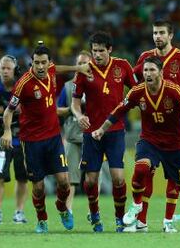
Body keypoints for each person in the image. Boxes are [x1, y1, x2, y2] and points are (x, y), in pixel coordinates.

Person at [92, 56, 180, 233]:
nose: (148, 73)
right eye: (145, 70)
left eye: (152, 70)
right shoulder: (137, 91)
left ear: (161, 72)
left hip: (174, 145)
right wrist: (101, 129)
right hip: (149, 140)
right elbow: (119, 110)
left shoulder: (173, 89)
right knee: (141, 169)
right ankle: (136, 205)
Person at [0, 42, 91, 233]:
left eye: (43, 62)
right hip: (31, 141)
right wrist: (7, 131)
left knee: (64, 181)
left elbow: (57, 68)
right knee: (39, 187)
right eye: (36, 63)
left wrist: (77, 68)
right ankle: (42, 220)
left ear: (49, 62)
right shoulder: (23, 83)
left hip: (53, 138)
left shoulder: (50, 70)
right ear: (31, 62)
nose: (40, 67)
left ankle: (62, 207)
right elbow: (8, 111)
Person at [132, 19, 180, 231]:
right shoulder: (146, 58)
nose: (158, 36)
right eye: (155, 33)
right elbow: (133, 78)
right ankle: (141, 221)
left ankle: (168, 221)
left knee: (176, 176)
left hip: (175, 123)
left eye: (162, 33)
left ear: (170, 35)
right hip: (151, 123)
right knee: (147, 171)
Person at [71, 31, 137, 232]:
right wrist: (79, 115)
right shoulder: (84, 70)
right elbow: (75, 103)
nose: (97, 55)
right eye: (94, 51)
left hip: (115, 131)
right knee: (90, 180)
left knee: (118, 178)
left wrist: (129, 104)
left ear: (109, 50)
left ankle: (119, 219)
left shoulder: (123, 66)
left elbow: (137, 90)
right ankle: (95, 214)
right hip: (91, 133)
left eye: (101, 51)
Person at [0, 55, 28, 224]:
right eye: (2, 68)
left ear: (15, 70)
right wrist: (10, 109)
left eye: (8, 68)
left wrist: (5, 109)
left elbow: (28, 107)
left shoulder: (22, 86)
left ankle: (19, 211)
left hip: (22, 138)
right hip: (0, 139)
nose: (4, 71)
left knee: (22, 178)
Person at [57, 50, 92, 212]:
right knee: (71, 177)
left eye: (85, 63)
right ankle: (68, 210)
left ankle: (93, 211)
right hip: (73, 136)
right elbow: (57, 110)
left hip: (94, 136)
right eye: (79, 63)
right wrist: (72, 110)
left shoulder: (98, 83)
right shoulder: (68, 86)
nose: (82, 66)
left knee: (94, 177)